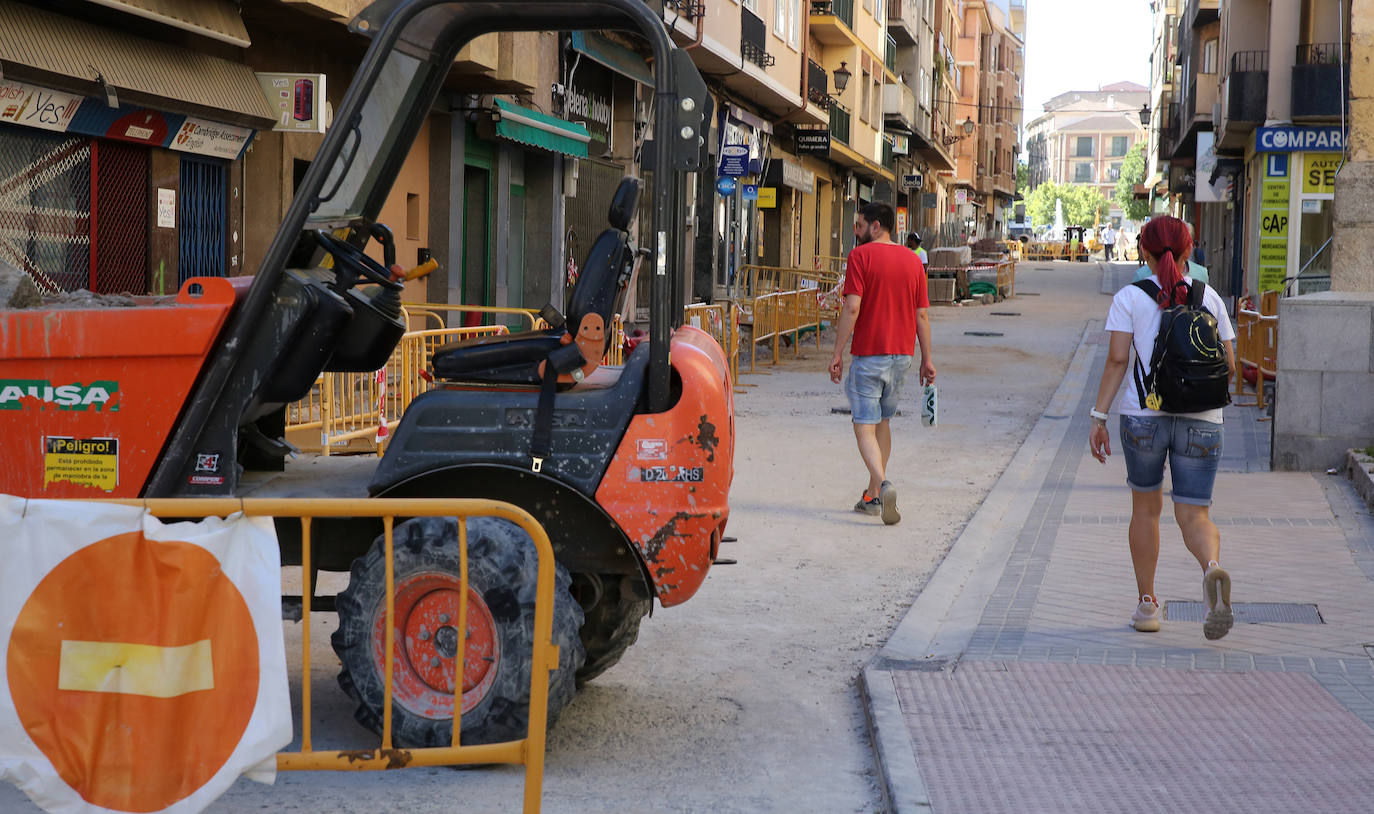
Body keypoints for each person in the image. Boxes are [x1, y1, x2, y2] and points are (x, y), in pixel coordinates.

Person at [1089, 215, 1237, 640]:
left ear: (1143, 252)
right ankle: (1211, 569)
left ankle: (1148, 605)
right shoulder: (1210, 298)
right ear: (1190, 252)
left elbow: (1118, 361)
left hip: (1143, 419)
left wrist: (1098, 417)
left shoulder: (1129, 298)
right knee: (1194, 514)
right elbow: (1228, 364)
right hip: (1203, 421)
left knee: (1146, 510)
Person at [829, 203, 936, 525]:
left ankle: (883, 484)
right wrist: (927, 359)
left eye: (859, 225)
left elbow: (851, 308)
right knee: (883, 423)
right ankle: (873, 495)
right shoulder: (912, 260)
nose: (855, 231)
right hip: (902, 357)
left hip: (869, 355)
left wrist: (837, 352)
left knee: (863, 426)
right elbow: (922, 314)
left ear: (876, 227)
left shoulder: (860, 258)